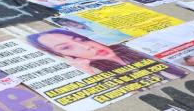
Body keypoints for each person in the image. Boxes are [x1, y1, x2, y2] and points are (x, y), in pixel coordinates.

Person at [27, 29, 185, 78]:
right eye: (66, 48)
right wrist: (87, 71)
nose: (88, 47)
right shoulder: (95, 72)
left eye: (80, 39)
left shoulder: (136, 48)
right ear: (65, 56)